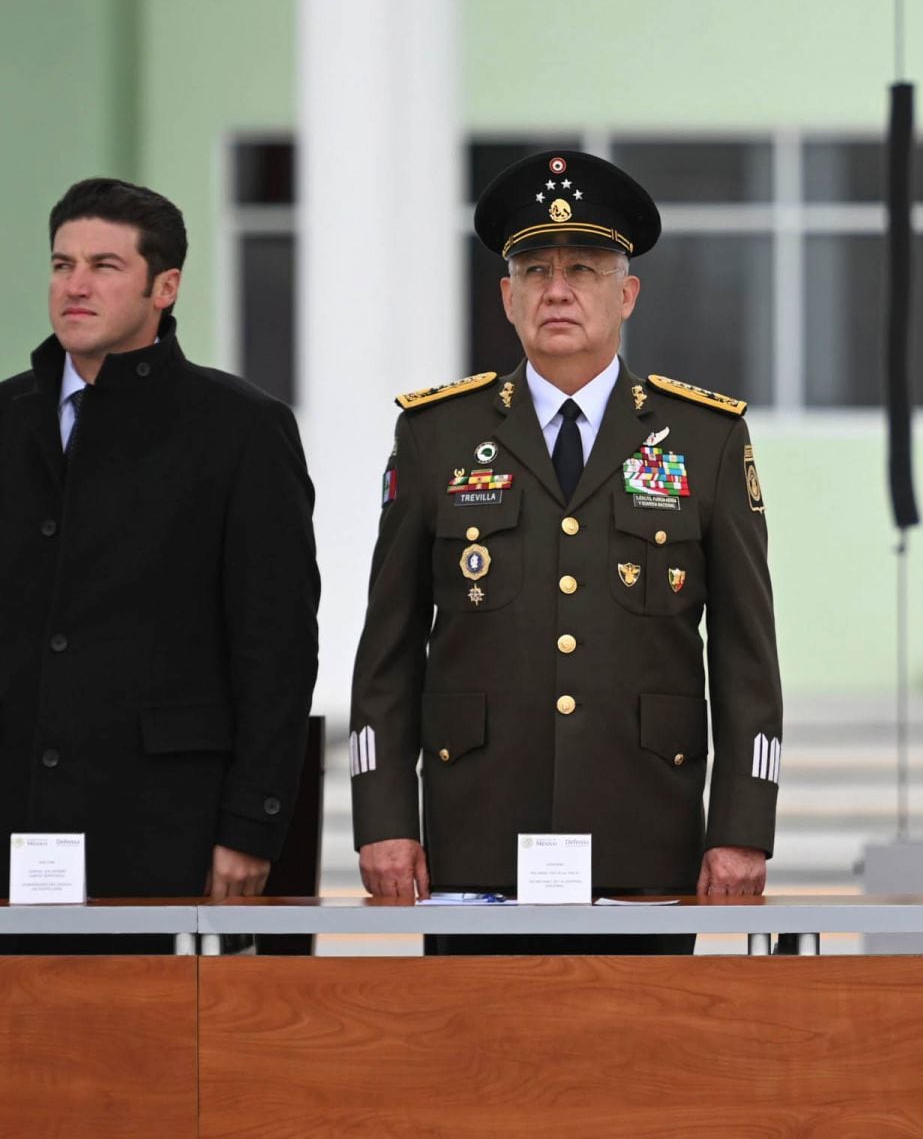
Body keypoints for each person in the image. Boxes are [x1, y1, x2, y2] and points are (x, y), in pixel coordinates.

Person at [349, 150, 781, 955]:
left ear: (627, 294)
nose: (557, 289)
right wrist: (382, 818)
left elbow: (748, 655)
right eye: (534, 269)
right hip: (474, 832)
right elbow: (388, 650)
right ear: (506, 297)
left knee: (639, 1065)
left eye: (583, 268)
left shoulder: (703, 439)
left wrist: (744, 826)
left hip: (644, 833)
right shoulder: (438, 434)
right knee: (476, 1065)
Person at [0, 178, 319, 952]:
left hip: (160, 822)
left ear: (164, 286)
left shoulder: (242, 429)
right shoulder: (5, 420)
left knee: (138, 1059)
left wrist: (253, 823)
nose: (75, 284)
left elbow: (275, 648)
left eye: (105, 264)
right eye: (61, 262)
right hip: (12, 814)